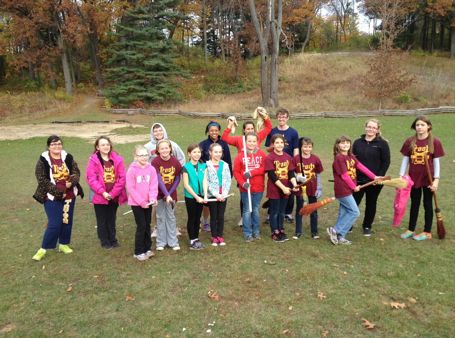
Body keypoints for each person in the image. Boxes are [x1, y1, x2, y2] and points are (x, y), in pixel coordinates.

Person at [32, 135, 84, 261]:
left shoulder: (68, 157)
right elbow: (42, 180)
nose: (57, 146)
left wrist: (71, 182)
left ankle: (63, 244)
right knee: (55, 223)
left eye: (59, 144)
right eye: (54, 144)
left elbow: (76, 172)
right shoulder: (43, 160)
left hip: (69, 195)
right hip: (51, 196)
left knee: (66, 220)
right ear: (49, 146)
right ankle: (43, 249)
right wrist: (59, 192)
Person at [222, 108, 271, 227]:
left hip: (256, 173)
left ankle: (252, 220)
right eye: (247, 129)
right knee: (244, 196)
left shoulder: (258, 137)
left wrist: (265, 116)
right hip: (243, 171)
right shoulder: (239, 140)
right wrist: (229, 125)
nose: (250, 130)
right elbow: (224, 138)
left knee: (254, 200)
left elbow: (269, 128)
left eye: (251, 128)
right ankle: (244, 217)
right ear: (244, 130)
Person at [399, 115, 445, 241]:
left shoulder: (435, 142)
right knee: (414, 203)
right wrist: (402, 176)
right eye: (417, 125)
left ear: (428, 126)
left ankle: (427, 231)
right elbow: (405, 160)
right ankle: (411, 229)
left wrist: (436, 180)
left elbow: (436, 162)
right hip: (413, 178)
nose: (419, 127)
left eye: (422, 125)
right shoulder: (410, 141)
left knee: (427, 204)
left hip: (428, 178)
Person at [327, 136, 379, 246]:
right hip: (342, 189)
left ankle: (340, 236)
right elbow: (345, 176)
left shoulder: (351, 157)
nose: (345, 145)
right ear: (337, 145)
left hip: (348, 189)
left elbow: (361, 167)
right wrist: (353, 186)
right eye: (342, 143)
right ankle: (335, 230)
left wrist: (374, 177)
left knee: (345, 212)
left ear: (350, 145)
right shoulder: (339, 158)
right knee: (355, 212)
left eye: (347, 143)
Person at [86, 136, 127, 249]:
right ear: (97, 147)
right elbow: (91, 178)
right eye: (103, 145)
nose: (105, 146)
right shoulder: (93, 160)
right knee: (102, 219)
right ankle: (104, 241)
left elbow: (122, 178)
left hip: (114, 195)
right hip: (100, 196)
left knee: (111, 217)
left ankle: (113, 239)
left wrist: (113, 193)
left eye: (107, 144)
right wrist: (103, 192)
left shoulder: (117, 159)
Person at [144, 122, 185, 237]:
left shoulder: (172, 144)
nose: (158, 133)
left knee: (171, 204)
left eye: (160, 130)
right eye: (155, 131)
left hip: (170, 181)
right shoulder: (147, 147)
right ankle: (157, 227)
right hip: (155, 181)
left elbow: (181, 158)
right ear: (152, 133)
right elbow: (143, 161)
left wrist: (178, 170)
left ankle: (173, 226)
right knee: (156, 206)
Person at [352, 119, 390, 236]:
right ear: (365, 127)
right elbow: (352, 161)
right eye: (369, 127)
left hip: (375, 181)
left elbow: (386, 162)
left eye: (374, 128)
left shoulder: (382, 144)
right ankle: (349, 224)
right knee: (354, 202)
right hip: (358, 180)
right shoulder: (357, 142)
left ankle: (367, 226)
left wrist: (379, 177)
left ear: (377, 130)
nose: (371, 129)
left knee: (371, 203)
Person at [264, 108, 299, 223]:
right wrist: (275, 147)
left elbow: (296, 149)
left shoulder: (293, 132)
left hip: (288, 164)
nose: (281, 119)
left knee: (289, 187)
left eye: (284, 117)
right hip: (275, 164)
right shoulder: (272, 131)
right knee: (274, 186)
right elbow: (267, 148)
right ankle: (271, 212)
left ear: (287, 118)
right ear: (277, 118)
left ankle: (287, 213)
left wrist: (295, 164)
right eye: (279, 117)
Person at [126, 145, 158, 261]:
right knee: (141, 226)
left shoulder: (151, 169)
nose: (144, 157)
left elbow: (153, 185)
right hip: (136, 203)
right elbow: (131, 188)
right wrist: (141, 201)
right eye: (141, 155)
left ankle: (147, 248)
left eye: (146, 155)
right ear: (135, 157)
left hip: (148, 203)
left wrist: (152, 198)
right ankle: (138, 251)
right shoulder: (132, 170)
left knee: (147, 225)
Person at [265, 134, 299, 242]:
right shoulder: (269, 157)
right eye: (277, 143)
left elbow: (291, 174)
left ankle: (281, 230)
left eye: (281, 142)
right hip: (275, 189)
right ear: (273, 144)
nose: (279, 145)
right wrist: (283, 187)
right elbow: (272, 176)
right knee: (274, 212)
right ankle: (274, 231)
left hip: (286, 189)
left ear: (284, 144)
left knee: (281, 211)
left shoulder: (288, 157)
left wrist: (294, 185)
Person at [233, 133, 267, 241]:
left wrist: (252, 172)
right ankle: (247, 232)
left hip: (258, 187)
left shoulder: (261, 154)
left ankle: (256, 231)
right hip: (246, 188)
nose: (251, 143)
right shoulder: (240, 156)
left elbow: (264, 168)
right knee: (247, 210)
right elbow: (236, 172)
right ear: (245, 142)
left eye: (254, 141)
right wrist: (243, 183)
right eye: (249, 141)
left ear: (257, 142)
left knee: (255, 209)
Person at [199, 121, 232, 231]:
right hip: (208, 179)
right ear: (208, 131)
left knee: (220, 204)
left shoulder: (224, 144)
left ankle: (218, 224)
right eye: (211, 130)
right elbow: (199, 159)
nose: (214, 132)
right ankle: (206, 220)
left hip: (221, 178)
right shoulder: (203, 144)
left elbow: (228, 160)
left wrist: (229, 176)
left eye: (216, 130)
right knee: (207, 202)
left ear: (219, 131)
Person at [151, 139, 182, 251]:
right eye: (162, 148)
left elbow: (178, 178)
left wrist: (169, 194)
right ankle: (161, 242)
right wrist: (165, 194)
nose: (164, 150)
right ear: (158, 150)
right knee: (160, 217)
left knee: (171, 217)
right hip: (159, 195)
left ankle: (173, 241)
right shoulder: (155, 162)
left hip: (171, 195)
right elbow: (158, 179)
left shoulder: (175, 161)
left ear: (170, 149)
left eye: (166, 148)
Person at [293, 137, 324, 239]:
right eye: (305, 147)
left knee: (313, 210)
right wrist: (297, 177)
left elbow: (318, 174)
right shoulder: (296, 159)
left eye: (309, 147)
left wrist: (319, 188)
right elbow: (291, 172)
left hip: (312, 188)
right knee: (300, 209)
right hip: (301, 189)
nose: (307, 149)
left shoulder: (315, 159)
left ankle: (314, 232)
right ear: (301, 147)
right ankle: (298, 231)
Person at [204, 143, 232, 246]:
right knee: (214, 215)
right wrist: (216, 194)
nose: (218, 154)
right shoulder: (207, 165)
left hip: (223, 195)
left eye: (220, 152)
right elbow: (207, 181)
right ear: (210, 153)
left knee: (221, 216)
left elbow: (228, 180)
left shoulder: (225, 165)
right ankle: (214, 236)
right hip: (213, 196)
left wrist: (224, 194)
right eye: (215, 152)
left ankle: (220, 235)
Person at [182, 144, 207, 250]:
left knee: (198, 218)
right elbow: (186, 185)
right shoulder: (186, 167)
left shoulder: (203, 166)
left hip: (201, 196)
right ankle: (192, 240)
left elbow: (205, 180)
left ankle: (196, 238)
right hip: (191, 197)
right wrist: (196, 197)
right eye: (194, 152)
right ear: (189, 154)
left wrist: (205, 194)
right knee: (192, 218)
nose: (197, 154)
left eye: (198, 152)